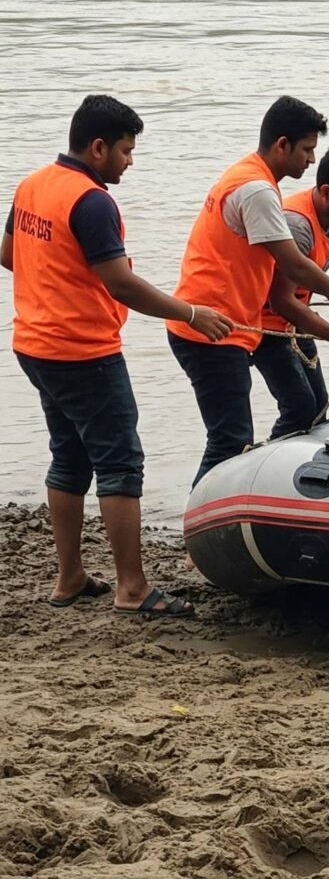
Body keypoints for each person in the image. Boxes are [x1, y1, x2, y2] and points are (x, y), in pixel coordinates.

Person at [1, 95, 233, 617]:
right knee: (120, 462)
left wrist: (55, 285)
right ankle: (132, 588)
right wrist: (192, 313)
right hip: (83, 352)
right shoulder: (92, 201)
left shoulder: (32, 183)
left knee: (69, 455)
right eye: (126, 151)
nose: (130, 161)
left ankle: (70, 578)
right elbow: (122, 284)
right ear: (98, 146)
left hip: (33, 344)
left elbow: (10, 255)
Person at [167, 96, 329, 487]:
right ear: (282, 145)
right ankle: (202, 535)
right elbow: (295, 270)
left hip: (235, 324)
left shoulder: (257, 182)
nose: (310, 160)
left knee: (305, 409)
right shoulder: (260, 193)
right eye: (306, 149)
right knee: (231, 437)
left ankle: (260, 492)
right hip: (215, 326)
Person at [253, 144, 329, 439]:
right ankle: (263, 467)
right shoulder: (298, 224)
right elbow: (281, 301)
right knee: (299, 407)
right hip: (266, 326)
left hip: (298, 322)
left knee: (318, 406)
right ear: (326, 192)